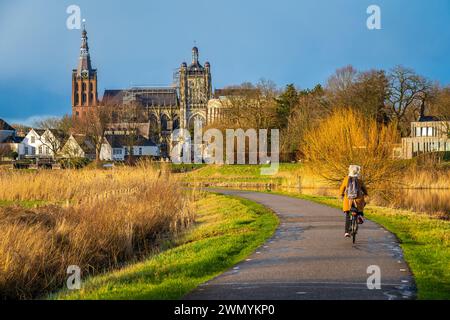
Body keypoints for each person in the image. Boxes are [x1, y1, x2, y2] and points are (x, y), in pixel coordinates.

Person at [339, 165, 368, 238]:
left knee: (348, 215)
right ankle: (360, 215)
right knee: (361, 206)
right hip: (358, 200)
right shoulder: (359, 180)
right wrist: (366, 193)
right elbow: (364, 189)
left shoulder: (346, 179)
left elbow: (342, 188)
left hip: (348, 201)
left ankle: (346, 232)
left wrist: (341, 195)